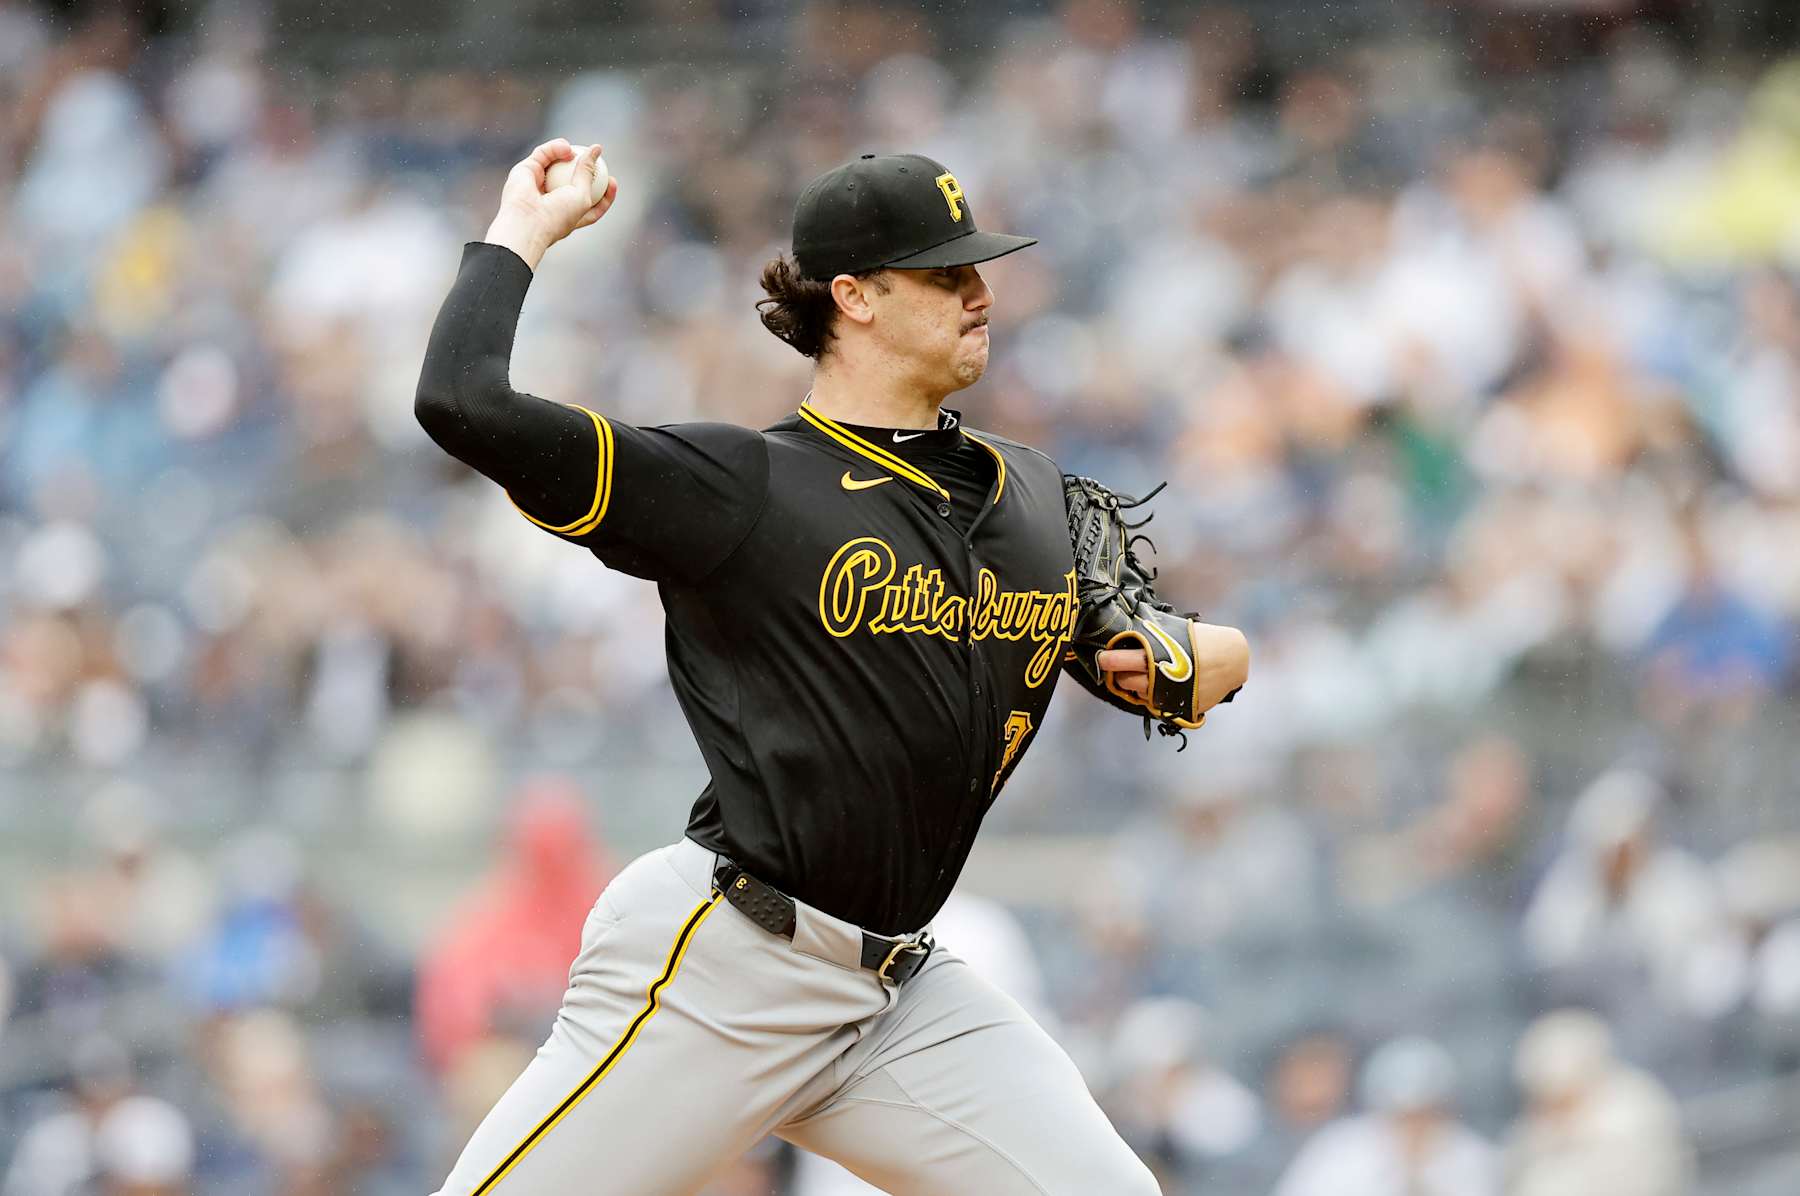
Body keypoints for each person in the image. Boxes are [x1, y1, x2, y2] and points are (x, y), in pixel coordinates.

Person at [412, 139, 1248, 1195]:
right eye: (946, 273)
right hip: (727, 966)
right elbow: (461, 399)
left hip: (898, 994)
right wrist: (521, 234)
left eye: (979, 267)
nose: (980, 292)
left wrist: (1206, 654)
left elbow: (1166, 650)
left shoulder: (1031, 494)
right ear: (853, 295)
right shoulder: (740, 484)